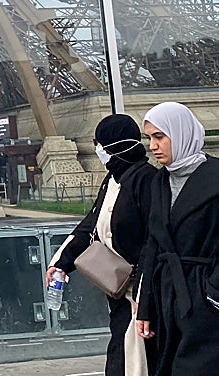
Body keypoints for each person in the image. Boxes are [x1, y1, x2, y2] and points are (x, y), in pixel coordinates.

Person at [135, 102, 219, 376]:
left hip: (209, 305)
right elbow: (153, 245)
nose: (153, 146)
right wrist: (145, 306)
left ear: (181, 133)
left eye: (159, 137)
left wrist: (215, 288)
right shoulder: (159, 182)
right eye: (149, 138)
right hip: (168, 303)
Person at [47, 114, 159, 376]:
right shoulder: (112, 181)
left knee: (136, 361)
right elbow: (91, 226)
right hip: (119, 293)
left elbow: (152, 242)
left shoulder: (146, 181)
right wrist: (61, 263)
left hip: (140, 294)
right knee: (123, 358)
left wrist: (144, 294)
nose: (98, 150)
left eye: (99, 143)